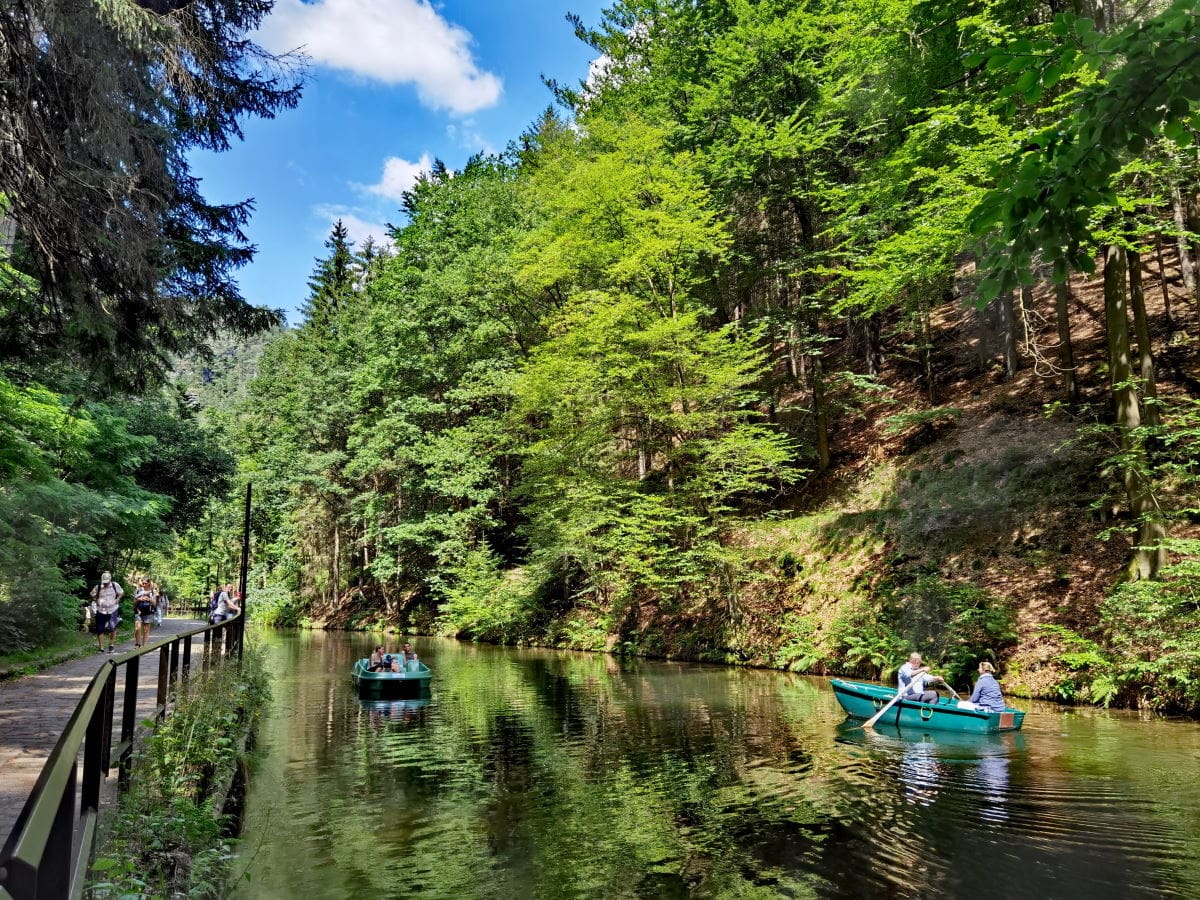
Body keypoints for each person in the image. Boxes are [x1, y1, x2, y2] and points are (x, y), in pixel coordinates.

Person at [90, 572, 124, 653]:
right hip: (101, 610)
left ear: (110, 580)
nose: (105, 584)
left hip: (113, 609)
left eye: (107, 582)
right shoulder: (98, 587)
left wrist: (118, 599)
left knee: (112, 628)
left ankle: (111, 645)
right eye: (104, 582)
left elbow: (121, 592)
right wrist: (96, 600)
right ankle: (101, 648)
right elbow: (92, 594)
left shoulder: (115, 585)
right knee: (100, 629)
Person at [133, 578, 157, 647]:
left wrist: (149, 599)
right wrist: (139, 599)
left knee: (146, 630)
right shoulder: (138, 590)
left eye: (145, 583)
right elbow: (134, 602)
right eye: (142, 583)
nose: (144, 585)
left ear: (149, 583)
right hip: (138, 612)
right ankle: (137, 644)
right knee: (138, 629)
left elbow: (155, 603)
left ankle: (144, 646)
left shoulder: (153, 591)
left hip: (149, 612)